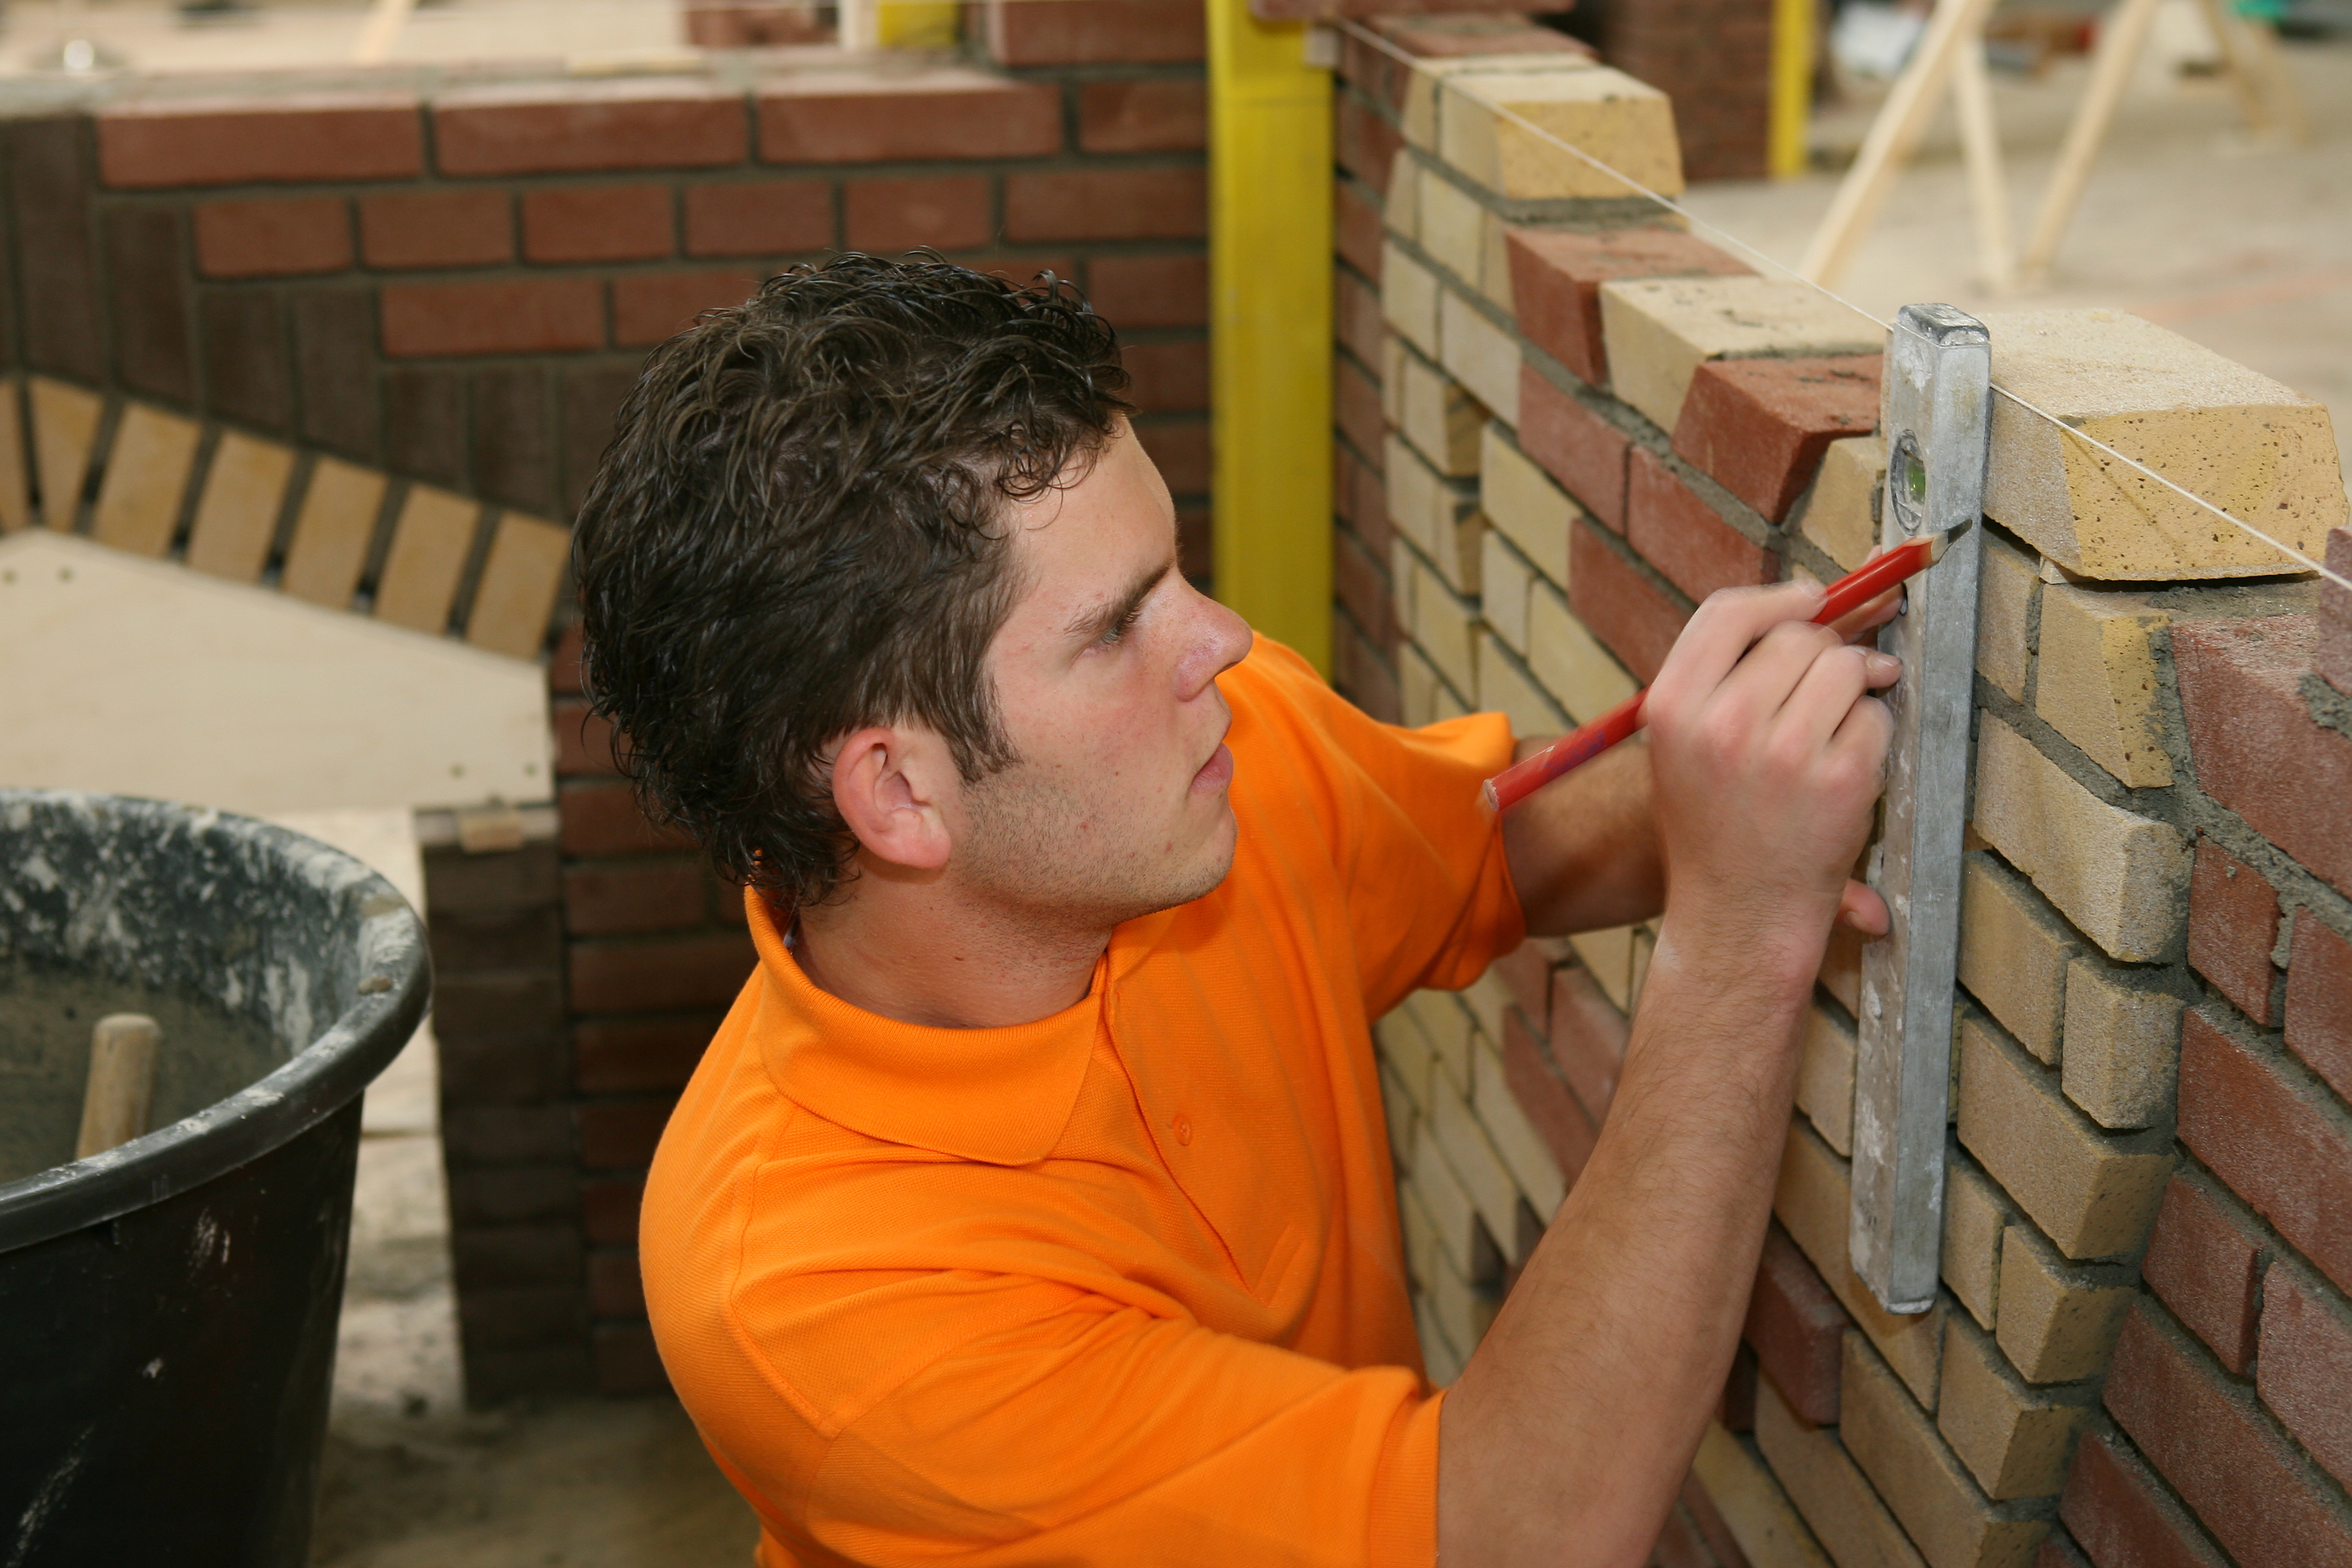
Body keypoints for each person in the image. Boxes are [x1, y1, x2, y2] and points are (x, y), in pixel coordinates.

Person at [576, 254, 1899, 1568]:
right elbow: (1512, 1536)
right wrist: (1742, 940)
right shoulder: (821, 1305)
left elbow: (1487, 849)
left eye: (1176, 569)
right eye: (1114, 628)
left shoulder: (1202, 764)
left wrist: (1757, 765)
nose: (1221, 641)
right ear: (900, 793)